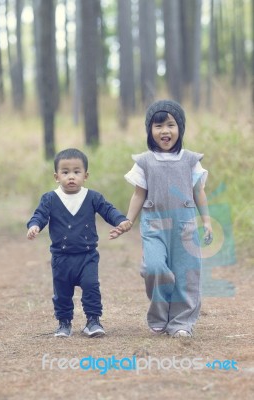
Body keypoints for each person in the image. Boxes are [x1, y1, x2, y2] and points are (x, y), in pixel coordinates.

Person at [110, 99, 213, 338]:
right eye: (158, 126)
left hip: (184, 224)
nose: (164, 131)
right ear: (150, 131)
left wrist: (206, 220)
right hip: (154, 223)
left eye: (170, 125)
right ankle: (158, 314)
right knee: (155, 267)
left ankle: (181, 323)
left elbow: (199, 192)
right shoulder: (145, 161)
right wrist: (128, 221)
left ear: (180, 129)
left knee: (187, 274)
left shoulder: (190, 160)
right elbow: (138, 194)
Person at [27, 148, 132, 338]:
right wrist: (34, 226)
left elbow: (108, 210)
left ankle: (93, 321)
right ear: (56, 176)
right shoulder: (50, 198)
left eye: (77, 172)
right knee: (62, 292)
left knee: (91, 286)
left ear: (86, 175)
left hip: (87, 255)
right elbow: (40, 215)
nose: (71, 177)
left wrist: (121, 220)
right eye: (65, 172)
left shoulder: (92, 197)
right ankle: (64, 323)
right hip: (61, 257)